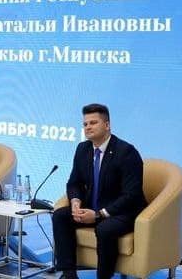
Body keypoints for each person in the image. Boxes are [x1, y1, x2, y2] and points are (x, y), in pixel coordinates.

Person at [53, 103, 147, 279]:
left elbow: (131, 195)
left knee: (105, 229)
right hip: (92, 208)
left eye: (93, 122)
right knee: (60, 216)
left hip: (122, 212)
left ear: (107, 125)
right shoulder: (83, 149)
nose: (88, 127)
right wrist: (75, 202)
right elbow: (74, 183)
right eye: (85, 124)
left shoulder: (126, 152)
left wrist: (98, 215)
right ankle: (69, 274)